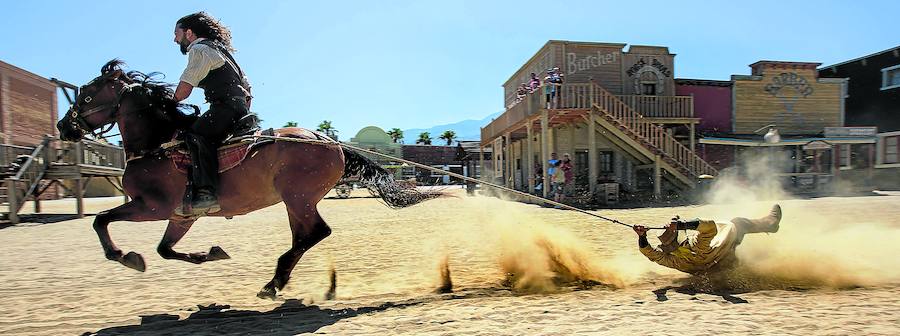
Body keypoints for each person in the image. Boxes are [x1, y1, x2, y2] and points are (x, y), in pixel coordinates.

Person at [172, 12, 258, 216]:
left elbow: (184, 90)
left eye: (176, 33)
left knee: (195, 136)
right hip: (238, 108)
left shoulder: (200, 49)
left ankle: (206, 195)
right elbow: (248, 88)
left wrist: (169, 103)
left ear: (189, 33)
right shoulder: (222, 52)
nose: (174, 39)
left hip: (224, 107)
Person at [632, 205, 782, 274]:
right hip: (724, 255)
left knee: (743, 260)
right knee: (738, 223)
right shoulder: (696, 245)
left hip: (713, 269)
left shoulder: (673, 260)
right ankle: (771, 224)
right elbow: (709, 227)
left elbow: (649, 253)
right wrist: (683, 224)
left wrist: (642, 236)